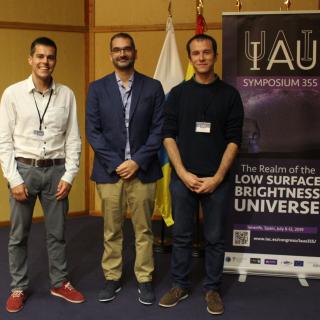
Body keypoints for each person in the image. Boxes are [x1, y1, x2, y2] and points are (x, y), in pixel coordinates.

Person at [158, 34, 244, 315]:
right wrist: (182, 173)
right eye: (195, 53)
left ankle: (212, 289)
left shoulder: (230, 95)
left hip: (216, 180)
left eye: (206, 52)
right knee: (181, 236)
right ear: (190, 58)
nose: (201, 58)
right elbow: (168, 136)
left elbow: (234, 140)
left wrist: (218, 177)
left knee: (216, 237)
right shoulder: (178, 94)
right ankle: (180, 285)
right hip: (184, 178)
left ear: (215, 56)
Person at [0, 37, 84, 313]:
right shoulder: (12, 94)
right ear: (30, 59)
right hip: (23, 170)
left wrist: (70, 175)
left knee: (57, 233)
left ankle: (59, 283)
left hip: (56, 171)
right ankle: (18, 286)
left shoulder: (66, 94)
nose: (45, 61)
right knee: (18, 235)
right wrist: (14, 179)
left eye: (50, 57)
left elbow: (73, 138)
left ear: (54, 60)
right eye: (40, 56)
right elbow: (4, 141)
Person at [86, 32, 164, 305]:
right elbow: (93, 133)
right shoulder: (97, 89)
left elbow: (158, 130)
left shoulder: (153, 88)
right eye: (117, 50)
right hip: (109, 172)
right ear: (111, 55)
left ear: (135, 53)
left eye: (127, 49)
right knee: (112, 228)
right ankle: (112, 277)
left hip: (143, 170)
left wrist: (137, 161)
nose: (122, 54)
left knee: (144, 230)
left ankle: (144, 279)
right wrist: (118, 164)